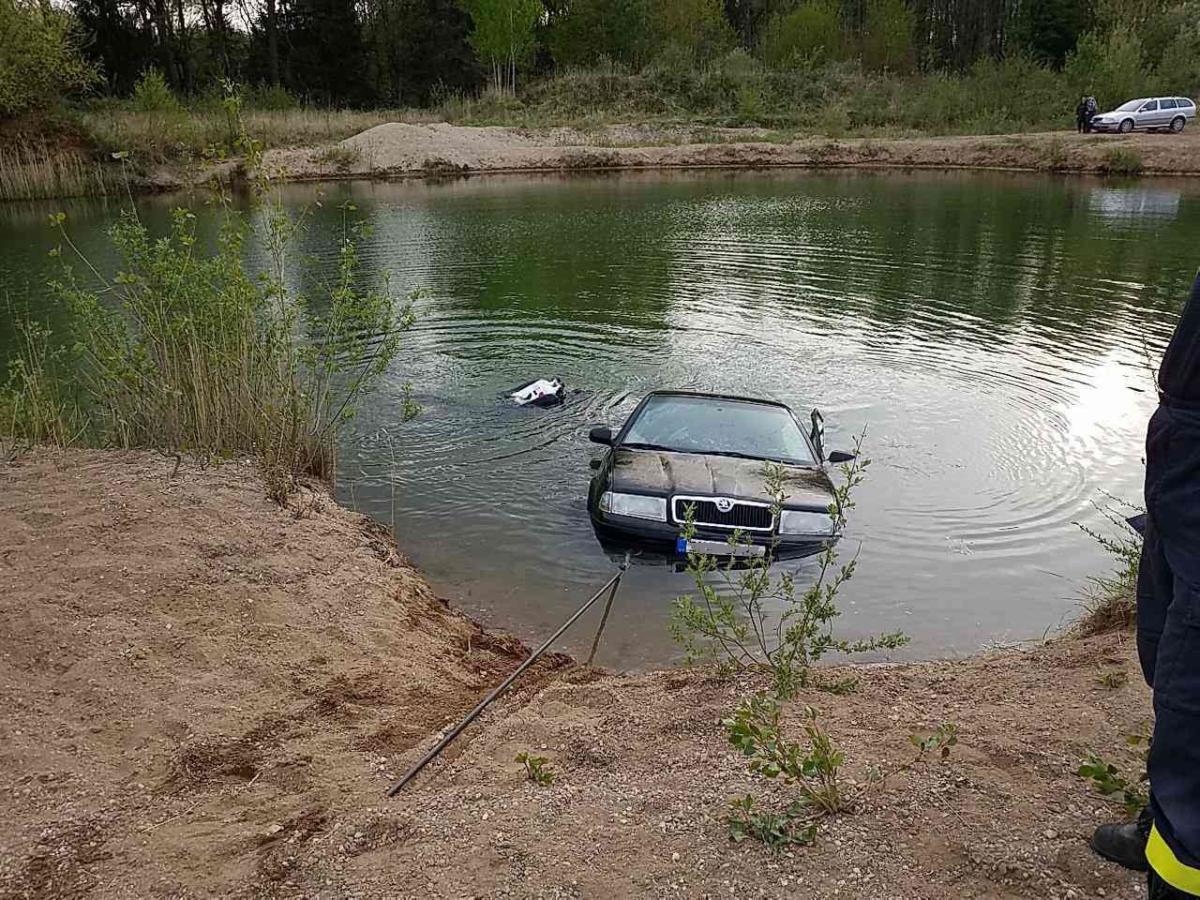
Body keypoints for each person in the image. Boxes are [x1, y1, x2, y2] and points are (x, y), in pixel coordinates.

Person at [1091, 271, 1200, 899]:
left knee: (1193, 701)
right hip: (1185, 456)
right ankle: (1162, 821)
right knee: (1163, 653)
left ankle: (1180, 851)